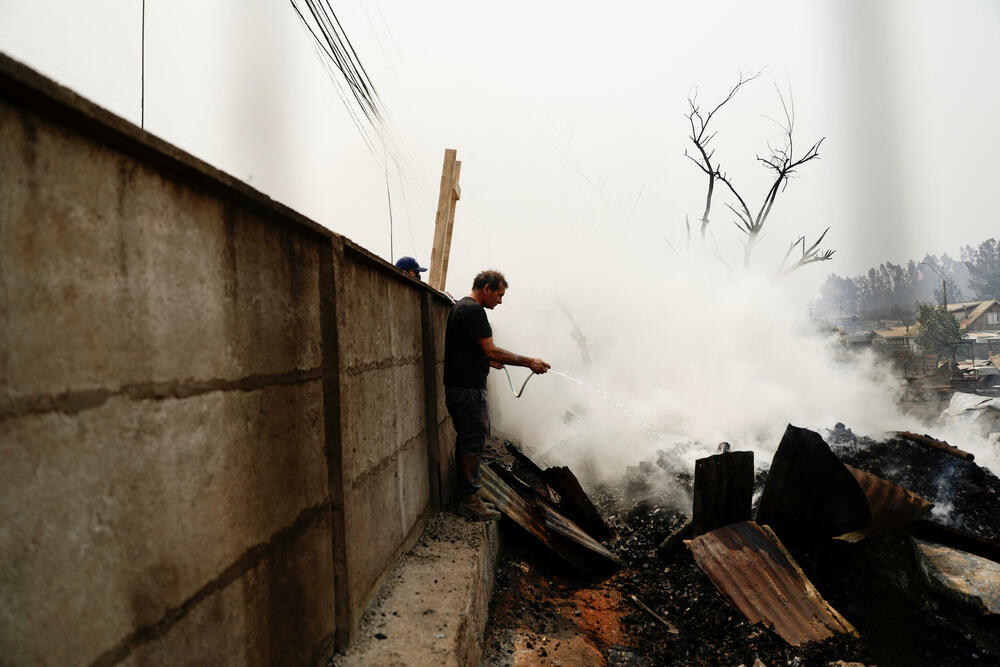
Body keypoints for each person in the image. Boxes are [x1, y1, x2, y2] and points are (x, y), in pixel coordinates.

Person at [444, 270, 550, 521]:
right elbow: (490, 348)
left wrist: (486, 360)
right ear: (486, 289)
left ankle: (469, 495)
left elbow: (468, 348)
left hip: (460, 388)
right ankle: (469, 500)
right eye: (499, 295)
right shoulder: (474, 311)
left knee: (471, 439)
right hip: (467, 391)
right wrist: (529, 362)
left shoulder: (461, 308)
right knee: (473, 442)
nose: (500, 301)